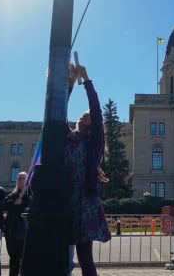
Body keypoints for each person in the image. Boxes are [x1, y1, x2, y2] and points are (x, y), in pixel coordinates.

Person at [66, 63, 111, 276]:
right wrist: (70, 84)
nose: (85, 116)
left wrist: (86, 79)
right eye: (83, 114)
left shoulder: (94, 143)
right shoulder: (67, 137)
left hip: (84, 201)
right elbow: (57, 112)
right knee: (59, 254)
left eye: (89, 116)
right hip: (63, 199)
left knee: (85, 258)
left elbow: (95, 108)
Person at [3, 171, 29, 276]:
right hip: (12, 232)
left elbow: (32, 204)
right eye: (19, 178)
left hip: (25, 232)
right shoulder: (12, 195)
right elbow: (4, 205)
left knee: (25, 260)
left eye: (23, 178)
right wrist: (14, 202)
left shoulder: (30, 195)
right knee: (14, 259)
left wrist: (24, 200)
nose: (21, 180)